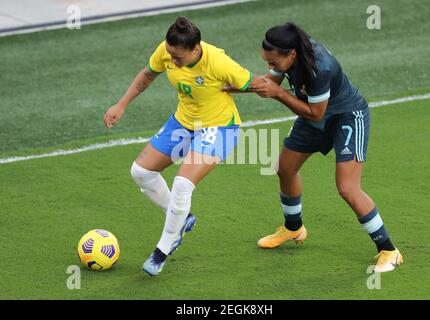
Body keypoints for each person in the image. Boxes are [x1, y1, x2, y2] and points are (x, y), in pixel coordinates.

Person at [103, 16, 263, 276]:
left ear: (196, 50)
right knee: (141, 172)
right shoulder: (167, 50)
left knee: (182, 184)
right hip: (183, 122)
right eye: (170, 54)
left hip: (218, 127)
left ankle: (164, 248)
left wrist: (235, 88)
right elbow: (147, 74)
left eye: (178, 58)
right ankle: (181, 217)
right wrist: (121, 105)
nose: (172, 61)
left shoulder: (218, 62)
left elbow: (256, 83)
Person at [248, 22, 403, 273]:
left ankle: (389, 250)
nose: (271, 67)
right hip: (316, 116)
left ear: (292, 54)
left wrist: (278, 93)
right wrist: (229, 85)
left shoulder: (320, 67)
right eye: (268, 62)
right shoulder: (288, 55)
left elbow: (315, 113)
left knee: (347, 187)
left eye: (274, 62)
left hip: (346, 117)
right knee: (285, 168)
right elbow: (269, 80)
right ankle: (293, 228)